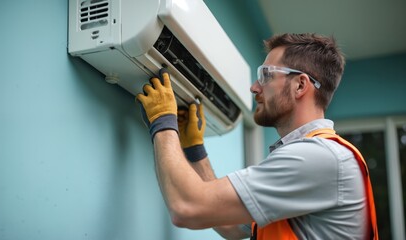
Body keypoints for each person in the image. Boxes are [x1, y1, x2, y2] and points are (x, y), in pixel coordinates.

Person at [136, 33, 378, 239]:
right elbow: (229, 226)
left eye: (266, 75)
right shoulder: (315, 158)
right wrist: (194, 148)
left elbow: (186, 208)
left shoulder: (318, 157)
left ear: (301, 86)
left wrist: (163, 121)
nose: (254, 87)